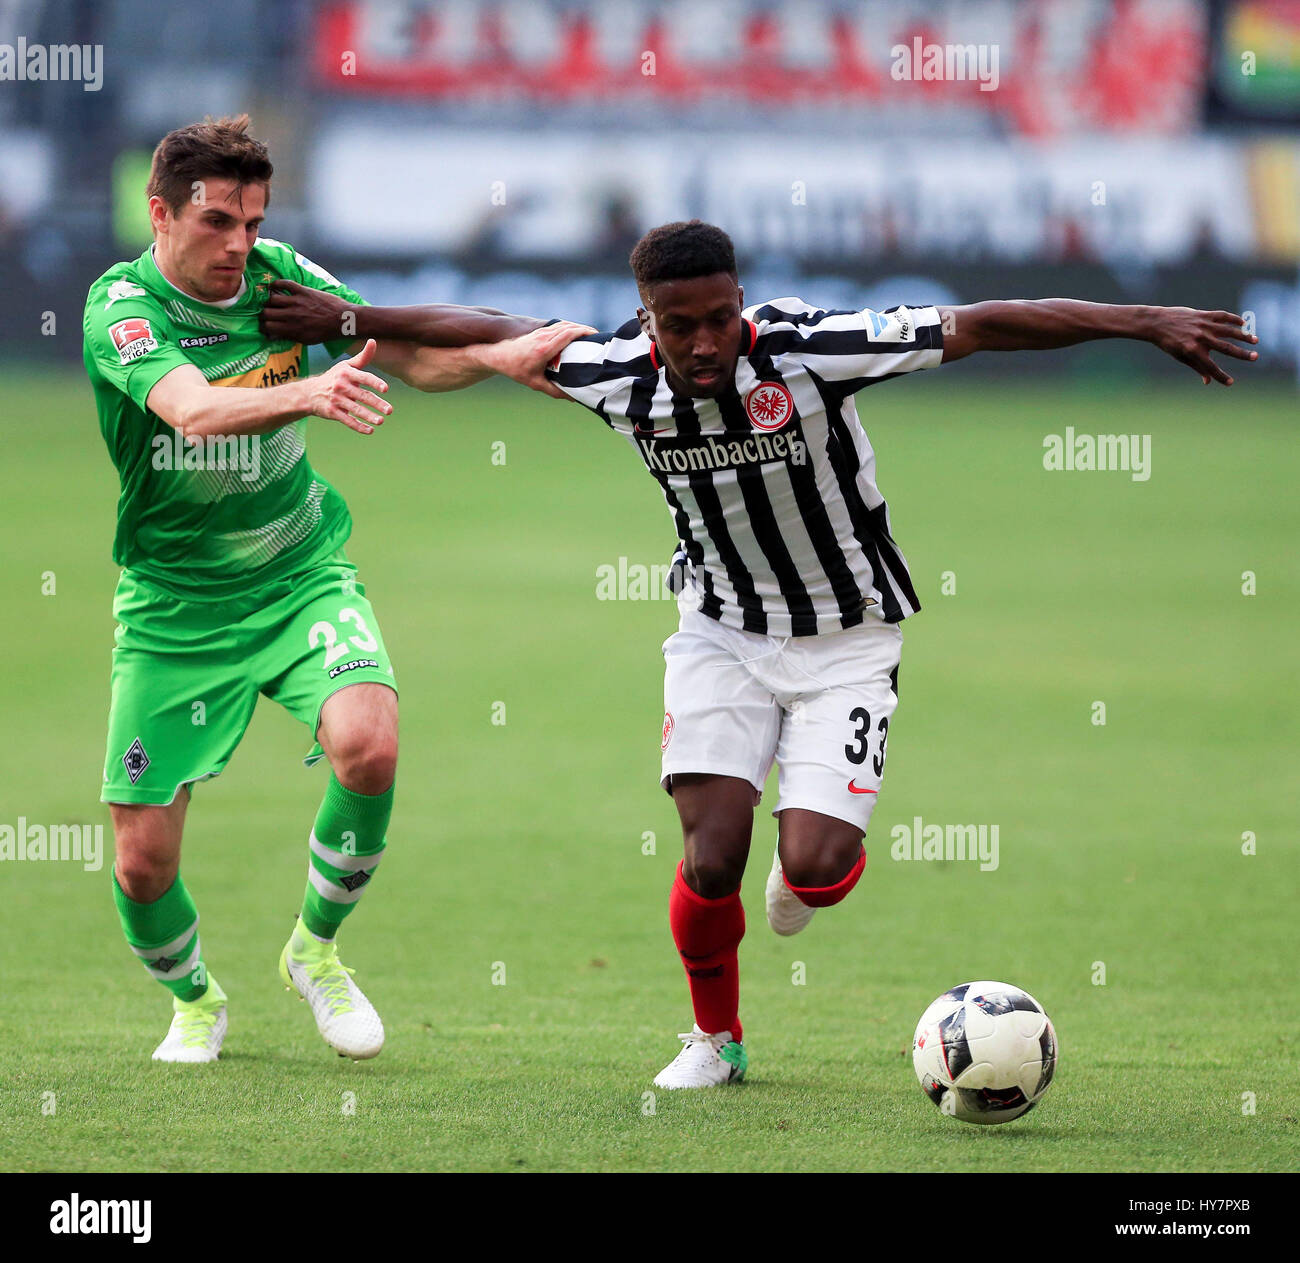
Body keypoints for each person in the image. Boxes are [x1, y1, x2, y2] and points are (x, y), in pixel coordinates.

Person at [259, 218, 1257, 1087]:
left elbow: (979, 322)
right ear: (645, 318)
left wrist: (1146, 320)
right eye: (677, 323)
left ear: (742, 302)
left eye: (719, 317)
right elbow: (480, 332)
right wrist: (346, 322)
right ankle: (714, 1039)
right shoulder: (615, 375)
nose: (703, 342)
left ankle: (805, 868)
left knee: (813, 870)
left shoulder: (808, 351)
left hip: (849, 637)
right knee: (709, 852)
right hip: (719, 637)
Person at [84, 115, 583, 1063]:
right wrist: (306, 394)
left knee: (370, 743)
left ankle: (315, 951)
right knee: (143, 861)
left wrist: (498, 362)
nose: (240, 243)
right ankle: (194, 1000)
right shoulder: (120, 307)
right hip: (175, 606)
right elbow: (190, 411)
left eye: (254, 219)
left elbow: (397, 353)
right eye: (218, 221)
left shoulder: (281, 276)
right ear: (160, 213)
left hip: (299, 572)